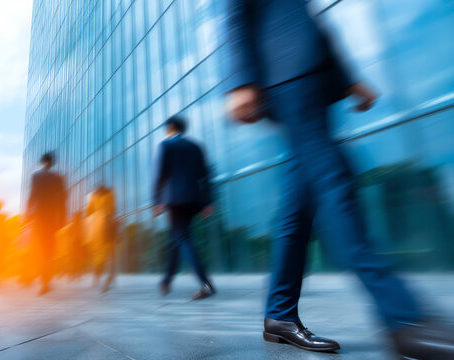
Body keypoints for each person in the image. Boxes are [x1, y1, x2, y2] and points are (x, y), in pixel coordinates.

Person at [223, 1, 454, 358]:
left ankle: (279, 315)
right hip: (288, 74)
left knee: (298, 208)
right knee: (335, 183)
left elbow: (305, 15)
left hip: (309, 74)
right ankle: (405, 318)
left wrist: (348, 79)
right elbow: (237, 10)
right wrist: (240, 79)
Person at [152, 116, 216, 301]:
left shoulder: (165, 146)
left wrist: (156, 200)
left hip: (174, 201)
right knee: (176, 239)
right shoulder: (196, 146)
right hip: (194, 200)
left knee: (183, 238)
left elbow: (159, 175)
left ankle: (206, 283)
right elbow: (205, 174)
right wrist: (208, 201)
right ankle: (166, 280)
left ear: (171, 127)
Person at [25, 152, 67, 295]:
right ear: (52, 163)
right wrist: (62, 219)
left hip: (39, 217)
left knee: (40, 249)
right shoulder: (58, 178)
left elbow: (32, 195)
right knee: (49, 250)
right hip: (51, 218)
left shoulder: (36, 176)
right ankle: (46, 280)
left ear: (43, 162)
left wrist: (27, 215)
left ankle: (44, 280)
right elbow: (62, 200)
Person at [85, 185, 118, 293]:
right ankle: (108, 277)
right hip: (105, 226)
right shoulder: (110, 194)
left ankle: (100, 276)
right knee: (108, 252)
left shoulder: (93, 197)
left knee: (99, 252)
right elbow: (113, 210)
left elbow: (88, 212)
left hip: (99, 227)